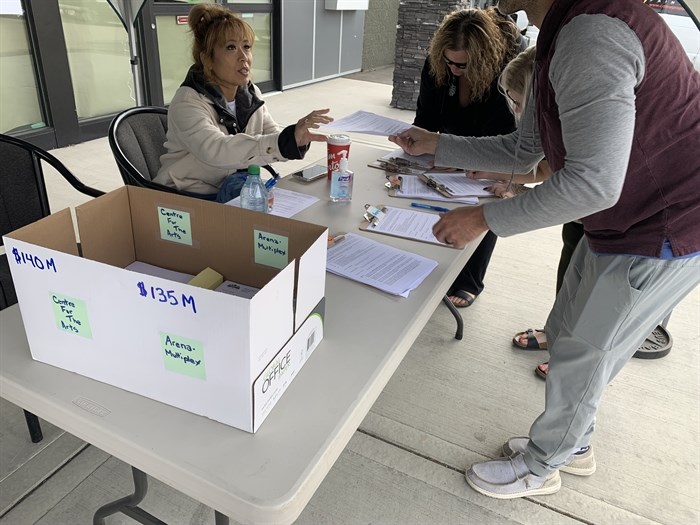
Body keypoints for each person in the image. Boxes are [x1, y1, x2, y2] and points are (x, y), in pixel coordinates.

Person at [390, 0, 700, 500]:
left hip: (662, 227)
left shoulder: (592, 34)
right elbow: (523, 150)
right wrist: (436, 143)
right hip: (622, 223)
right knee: (566, 334)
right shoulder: (561, 29)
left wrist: (483, 218)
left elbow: (594, 183)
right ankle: (570, 444)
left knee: (585, 356)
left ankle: (546, 463)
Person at [155, 3, 332, 202]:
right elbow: (217, 150)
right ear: (207, 60)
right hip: (188, 197)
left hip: (234, 188)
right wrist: (280, 143)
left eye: (246, 47)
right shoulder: (187, 102)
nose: (244, 57)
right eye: (231, 47)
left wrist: (294, 138)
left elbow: (270, 133)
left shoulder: (250, 93)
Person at [413, 7, 525, 308]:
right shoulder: (437, 65)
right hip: (447, 149)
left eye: (462, 65)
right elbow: (425, 117)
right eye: (448, 60)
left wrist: (456, 154)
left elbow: (504, 140)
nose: (453, 68)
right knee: (422, 194)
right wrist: (414, 140)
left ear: (483, 58)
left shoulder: (504, 75)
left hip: (490, 153)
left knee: (483, 200)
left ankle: (470, 280)